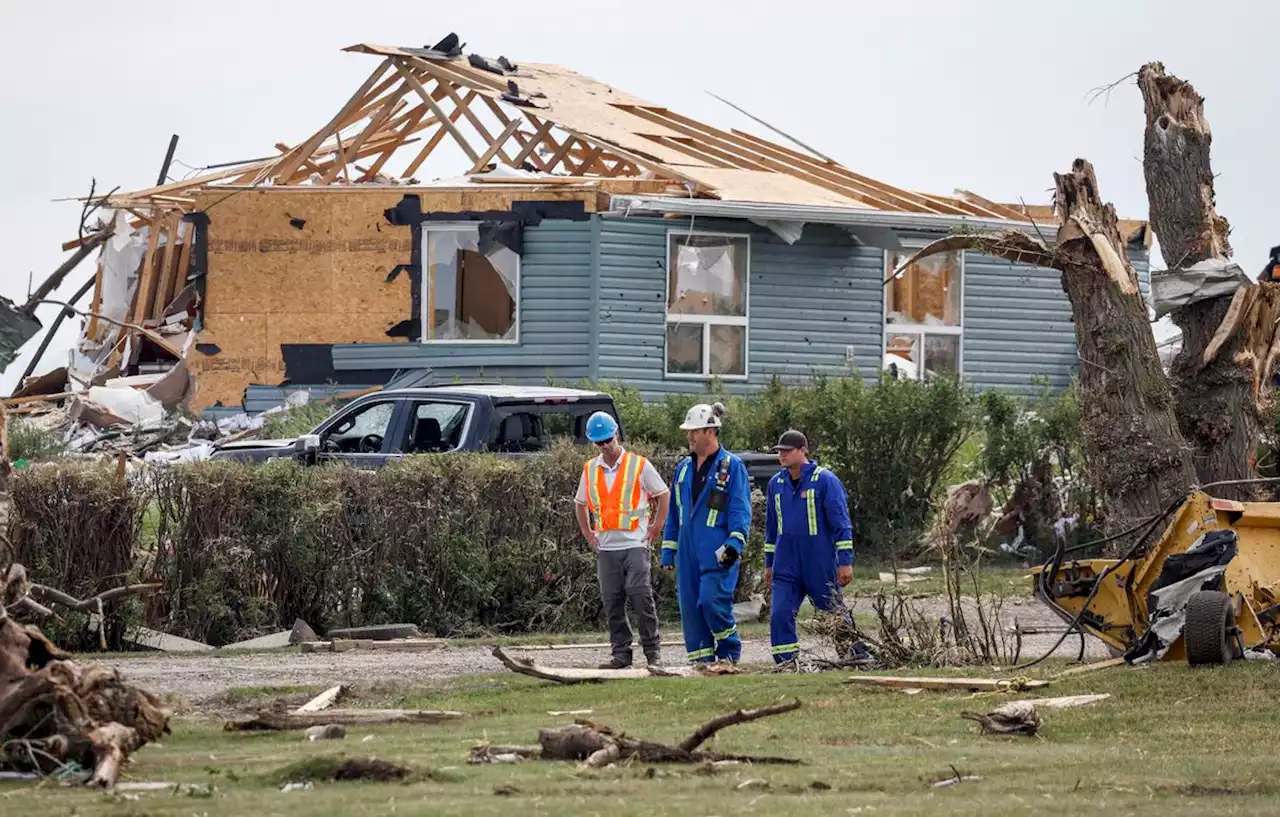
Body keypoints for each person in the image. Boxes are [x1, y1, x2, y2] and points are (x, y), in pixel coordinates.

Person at [574, 410, 670, 669]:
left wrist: (656, 527)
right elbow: (580, 503)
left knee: (641, 595)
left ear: (616, 434)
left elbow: (663, 494)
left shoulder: (639, 465)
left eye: (608, 439)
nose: (605, 446)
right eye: (599, 442)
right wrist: (587, 534)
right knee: (612, 600)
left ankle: (653, 652)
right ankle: (621, 654)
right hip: (606, 546)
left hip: (635, 543)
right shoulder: (590, 469)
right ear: (593, 443)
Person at [764, 429, 867, 667]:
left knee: (832, 612)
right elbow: (771, 528)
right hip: (786, 563)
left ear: (803, 451)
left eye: (787, 451)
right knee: (780, 613)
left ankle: (856, 655)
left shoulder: (826, 481)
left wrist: (845, 561)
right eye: (780, 452)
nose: (782, 456)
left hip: (818, 562)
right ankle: (786, 663)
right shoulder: (775, 484)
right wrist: (769, 564)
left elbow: (841, 524)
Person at [660, 402, 751, 666]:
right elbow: (676, 515)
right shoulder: (683, 469)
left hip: (717, 550)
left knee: (712, 601)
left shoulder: (731, 466)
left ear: (710, 432)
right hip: (687, 552)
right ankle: (702, 663)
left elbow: (739, 509)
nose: (689, 437)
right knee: (690, 609)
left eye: (694, 431)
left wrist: (735, 542)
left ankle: (729, 651)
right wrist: (669, 550)